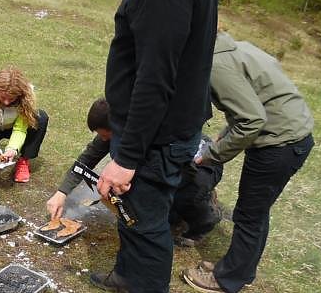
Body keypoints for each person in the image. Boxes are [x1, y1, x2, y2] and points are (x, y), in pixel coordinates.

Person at [81, 0, 219, 293]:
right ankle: (128, 274)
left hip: (157, 133)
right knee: (133, 210)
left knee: (147, 216)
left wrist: (126, 157)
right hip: (167, 125)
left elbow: (156, 78)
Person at [182, 31, 314, 293]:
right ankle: (243, 270)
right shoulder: (236, 49)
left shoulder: (216, 66)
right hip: (293, 135)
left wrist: (212, 154)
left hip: (278, 143)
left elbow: (252, 120)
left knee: (249, 214)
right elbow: (250, 98)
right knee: (256, 211)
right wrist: (224, 131)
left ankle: (227, 279)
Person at [46, 100, 225, 243]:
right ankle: (175, 212)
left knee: (182, 197)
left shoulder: (151, 133)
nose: (102, 140)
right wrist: (61, 193)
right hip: (172, 169)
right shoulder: (114, 131)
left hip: (201, 166)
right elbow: (86, 160)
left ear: (117, 128)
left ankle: (206, 218)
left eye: (104, 136)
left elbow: (178, 172)